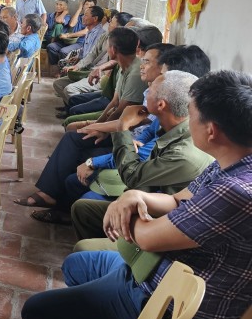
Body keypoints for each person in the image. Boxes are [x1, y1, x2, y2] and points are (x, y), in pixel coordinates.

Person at [21, 70, 252, 319]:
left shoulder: (237, 192)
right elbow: (176, 199)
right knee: (77, 265)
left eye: (192, 114)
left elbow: (144, 237)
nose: (186, 120)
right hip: (158, 272)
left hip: (173, 308)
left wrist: (125, 206)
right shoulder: (232, 162)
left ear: (212, 131)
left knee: (37, 313)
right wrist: (133, 197)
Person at [30, 71, 212, 225]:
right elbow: (147, 135)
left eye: (151, 89)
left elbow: (133, 175)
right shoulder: (171, 120)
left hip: (153, 207)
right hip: (143, 185)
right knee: (77, 153)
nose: (146, 91)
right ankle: (57, 202)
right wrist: (131, 141)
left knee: (83, 199)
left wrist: (123, 127)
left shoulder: (183, 150)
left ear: (161, 104)